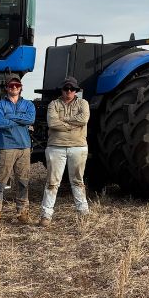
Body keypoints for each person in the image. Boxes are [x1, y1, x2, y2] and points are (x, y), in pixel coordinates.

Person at [0, 76, 36, 230]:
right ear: (6, 88)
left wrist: (11, 117)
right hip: (5, 147)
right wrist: (21, 120)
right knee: (0, 183)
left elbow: (31, 119)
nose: (14, 88)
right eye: (11, 85)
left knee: (23, 182)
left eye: (17, 85)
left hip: (24, 147)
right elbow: (0, 123)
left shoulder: (28, 104)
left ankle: (22, 213)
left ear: (21, 87)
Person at [40, 76, 90, 225]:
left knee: (78, 181)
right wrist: (72, 125)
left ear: (76, 91)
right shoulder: (53, 104)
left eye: (72, 89)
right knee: (52, 182)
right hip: (56, 147)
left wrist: (64, 122)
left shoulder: (83, 103)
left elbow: (83, 119)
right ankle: (46, 215)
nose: (69, 91)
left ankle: (83, 212)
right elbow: (52, 123)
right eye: (66, 88)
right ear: (61, 90)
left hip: (78, 146)